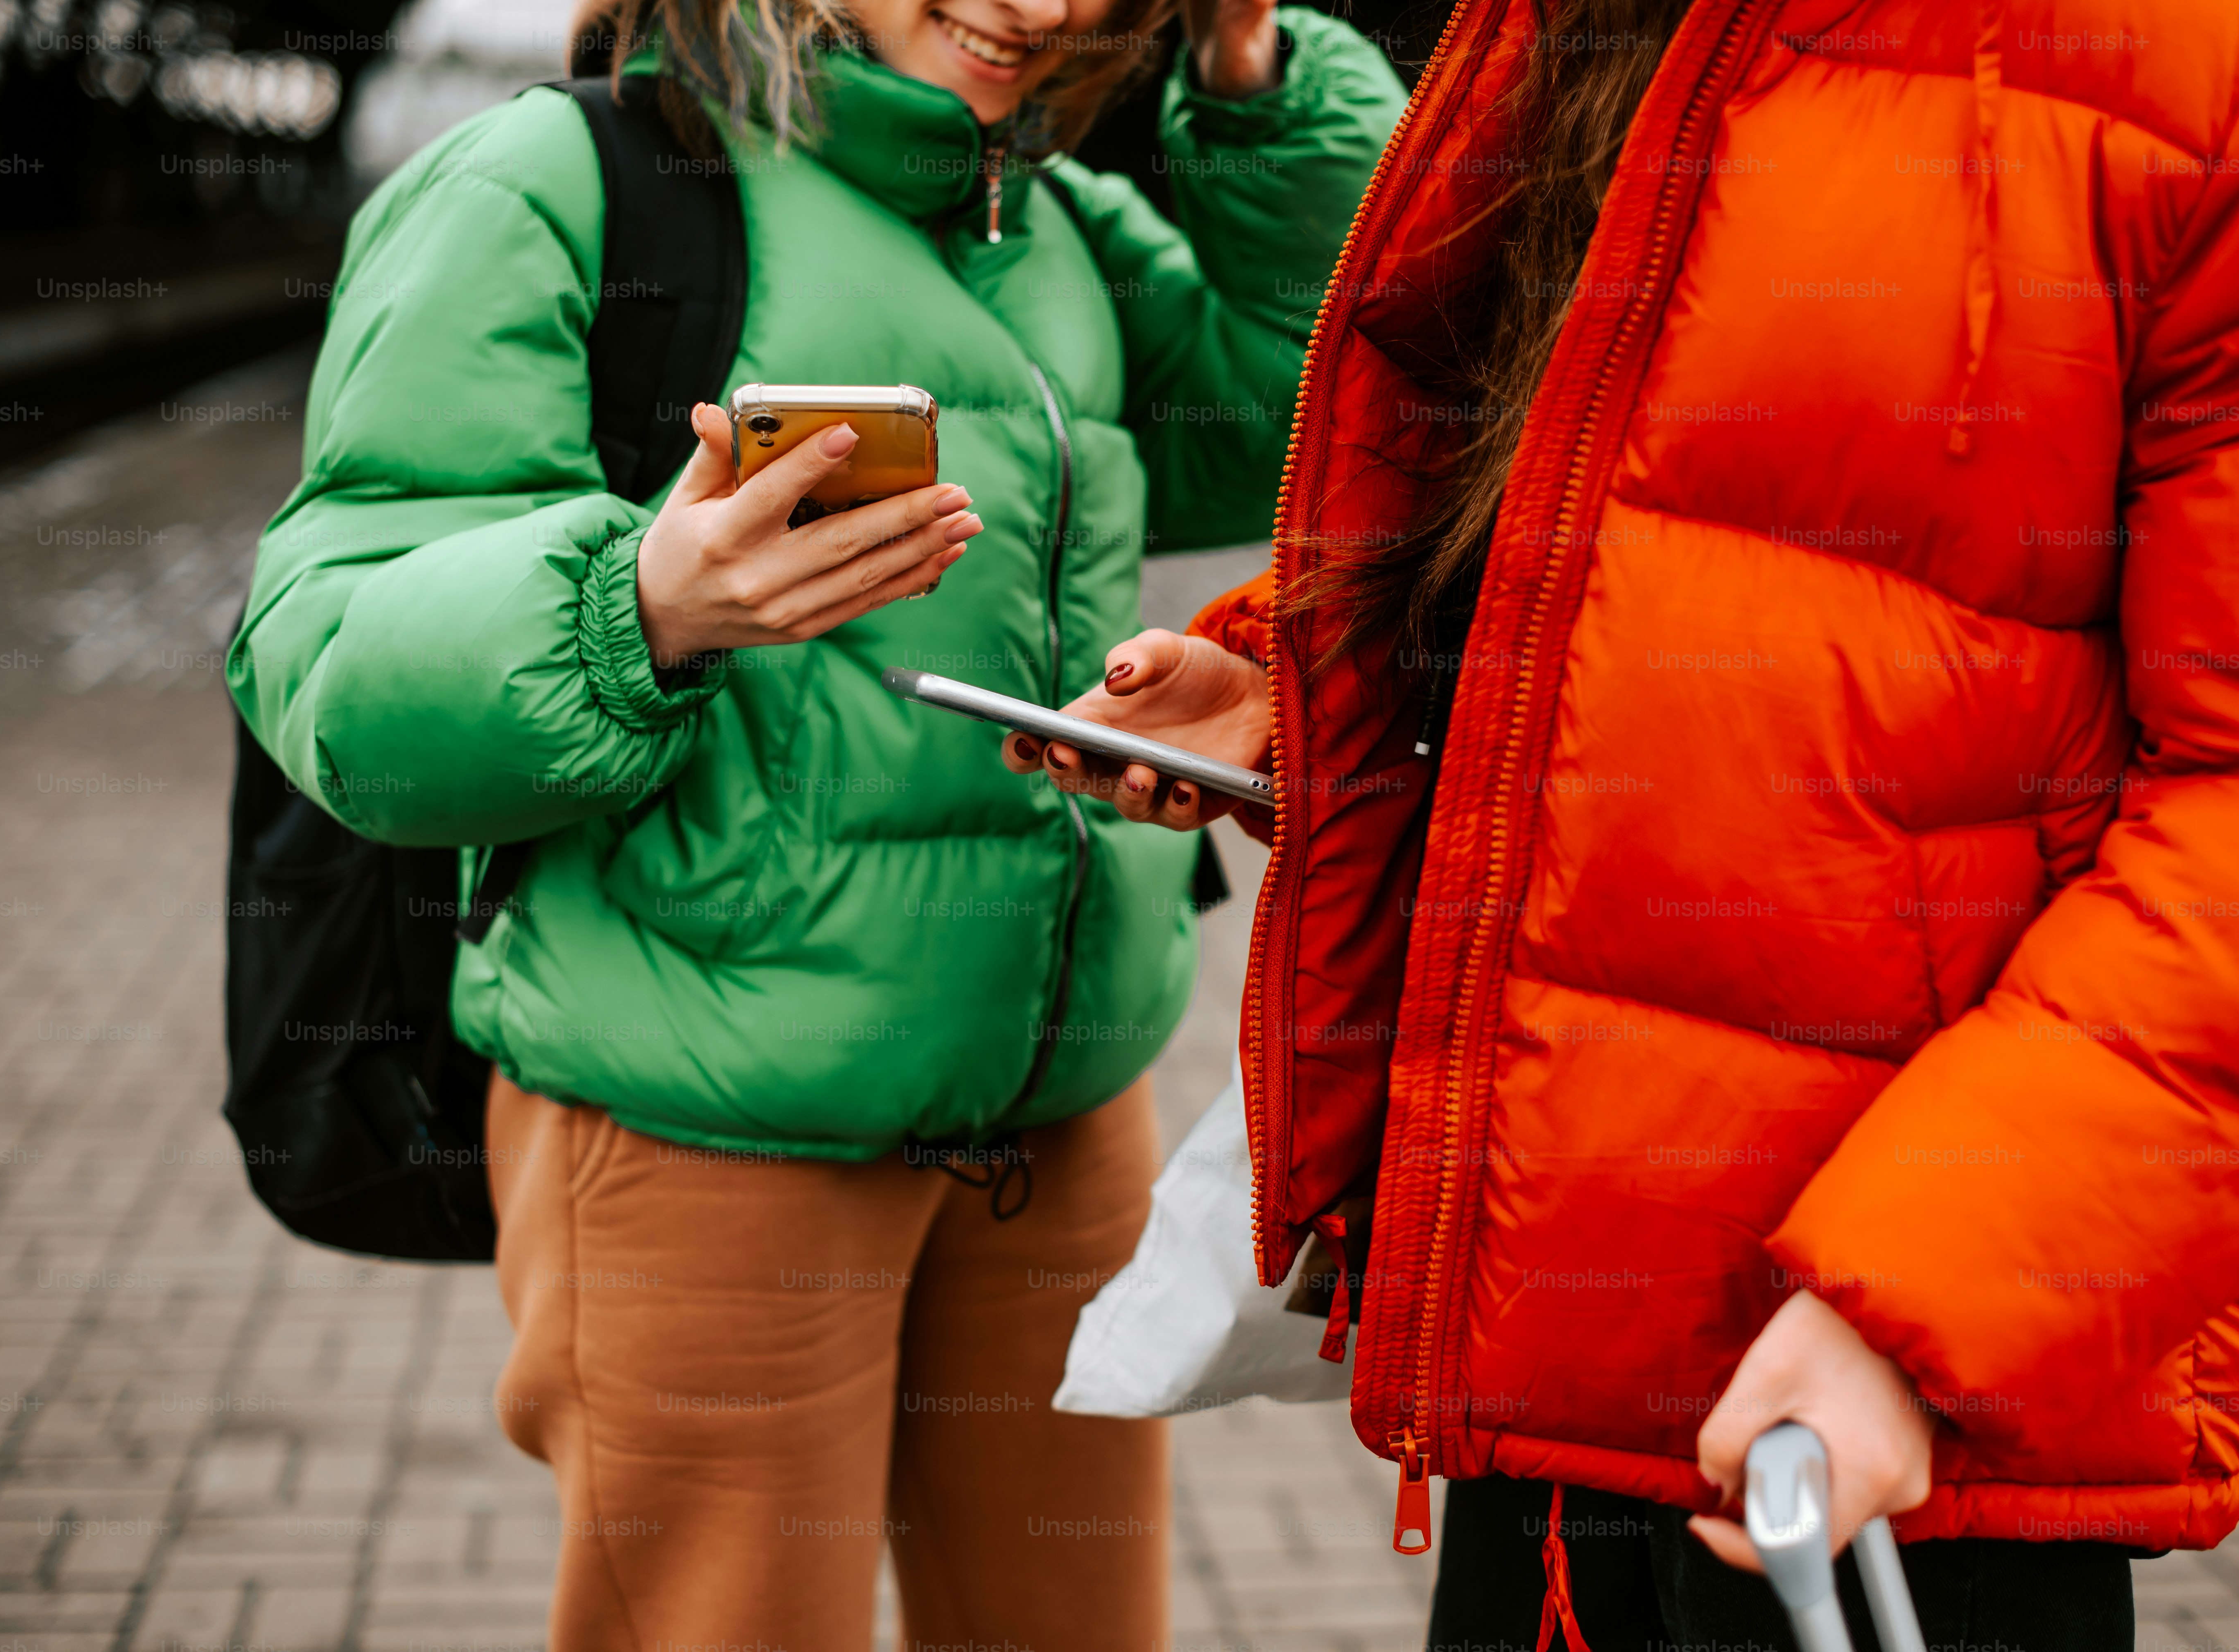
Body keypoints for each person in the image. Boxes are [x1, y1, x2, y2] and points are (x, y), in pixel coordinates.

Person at [1006, 0, 2239, 1644]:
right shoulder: (1623, 25)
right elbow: (1598, 521)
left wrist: (1925, 1303)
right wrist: (1314, 687)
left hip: (1884, 1435)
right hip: (1545, 1386)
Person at [225, 0, 1402, 1641]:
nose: (1046, 11)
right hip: (703, 1126)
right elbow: (330, 658)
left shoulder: (1052, 220)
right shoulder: (549, 187)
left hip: (1058, 1122)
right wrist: (636, 607)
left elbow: (1342, 395)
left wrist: (1252, 76)